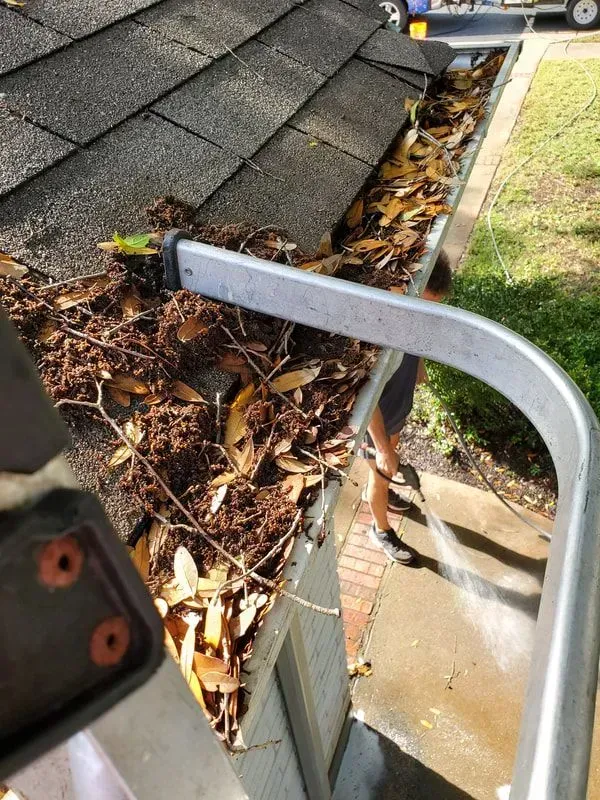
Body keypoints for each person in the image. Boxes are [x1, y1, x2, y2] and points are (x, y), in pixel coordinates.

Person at [362, 251, 453, 565]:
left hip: (396, 411)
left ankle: (384, 496)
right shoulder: (378, 331)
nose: (427, 314)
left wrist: (419, 364)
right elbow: (367, 398)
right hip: (377, 425)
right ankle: (381, 530)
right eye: (425, 305)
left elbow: (415, 341)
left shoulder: (412, 314)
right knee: (380, 475)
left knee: (384, 476)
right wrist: (383, 448)